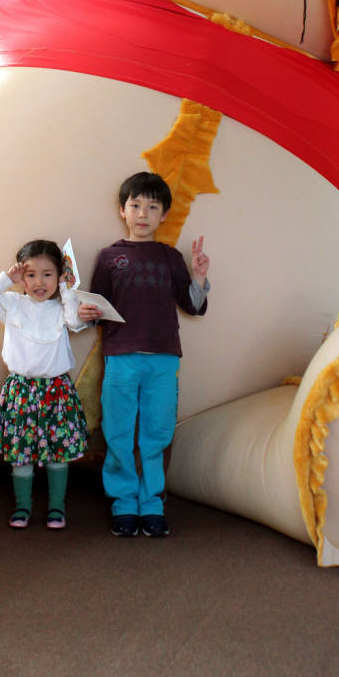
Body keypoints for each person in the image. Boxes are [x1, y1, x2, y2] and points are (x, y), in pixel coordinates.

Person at [80, 172, 210, 539]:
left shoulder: (170, 258)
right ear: (123, 210)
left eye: (152, 207)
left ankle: (151, 502)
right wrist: (85, 314)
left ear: (164, 215)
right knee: (118, 430)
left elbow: (194, 306)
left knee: (157, 430)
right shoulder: (108, 257)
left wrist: (199, 277)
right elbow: (94, 309)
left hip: (164, 357)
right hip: (120, 356)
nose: (143, 213)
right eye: (135, 205)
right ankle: (123, 502)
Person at [0, 239, 89, 530]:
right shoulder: (11, 303)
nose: (39, 282)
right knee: (20, 454)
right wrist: (5, 280)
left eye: (48, 274)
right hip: (20, 391)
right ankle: (23, 507)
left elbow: (76, 321)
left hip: (57, 390)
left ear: (58, 276)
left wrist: (65, 287)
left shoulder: (63, 306)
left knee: (58, 454)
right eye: (31, 274)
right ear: (21, 277)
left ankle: (57, 509)